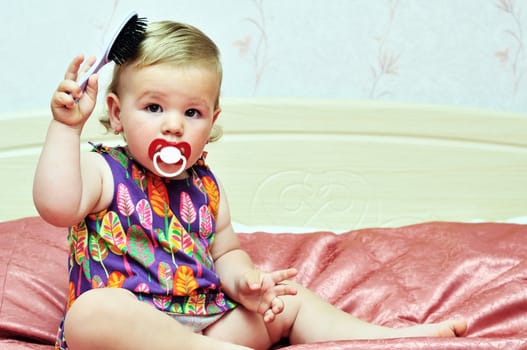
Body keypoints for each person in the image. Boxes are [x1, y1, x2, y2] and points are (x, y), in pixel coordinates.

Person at [33, 20, 467, 350]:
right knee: (91, 311)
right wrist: (66, 129)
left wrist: (245, 284)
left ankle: (385, 340)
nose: (172, 124)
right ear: (117, 111)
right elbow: (56, 206)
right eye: (153, 106)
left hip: (207, 323)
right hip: (131, 334)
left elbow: (226, 253)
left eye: (192, 113)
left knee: (289, 298)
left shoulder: (206, 186)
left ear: (212, 121)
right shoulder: (104, 170)